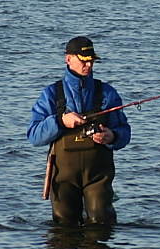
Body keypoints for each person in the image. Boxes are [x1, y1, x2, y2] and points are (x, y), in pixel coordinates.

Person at [27, 36, 131, 227]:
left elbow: (124, 132)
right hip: (63, 178)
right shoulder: (51, 94)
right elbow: (34, 136)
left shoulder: (108, 93)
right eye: (84, 60)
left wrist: (112, 136)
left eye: (91, 60)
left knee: (102, 223)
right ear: (68, 59)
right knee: (63, 229)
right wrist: (60, 121)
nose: (89, 64)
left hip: (98, 175)